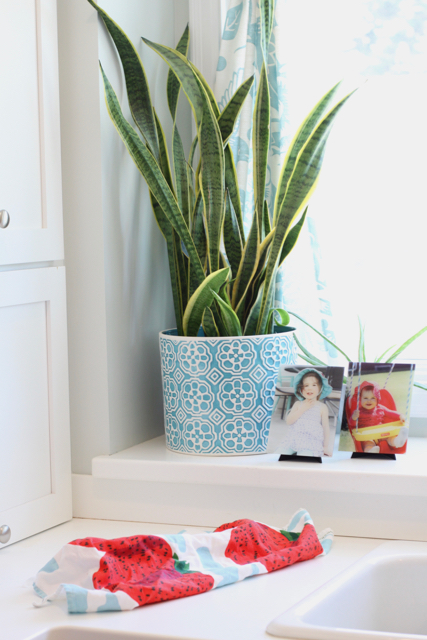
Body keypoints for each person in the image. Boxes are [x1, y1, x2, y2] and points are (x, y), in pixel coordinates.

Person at [278, 368, 332, 457]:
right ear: (301, 389)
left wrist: (325, 446)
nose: (309, 388)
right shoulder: (298, 404)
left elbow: (325, 428)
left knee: (305, 458)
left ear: (320, 388)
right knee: (281, 453)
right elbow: (289, 421)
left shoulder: (322, 407)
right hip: (294, 438)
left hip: (311, 440)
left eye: (314, 385)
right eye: (306, 385)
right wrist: (303, 409)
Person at [348, 381, 408, 453]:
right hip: (367, 435)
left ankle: (398, 441)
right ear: (360, 399)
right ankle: (371, 450)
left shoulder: (381, 408)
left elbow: (391, 413)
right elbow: (352, 424)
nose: (369, 401)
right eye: (365, 398)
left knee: (390, 438)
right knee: (368, 443)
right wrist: (354, 417)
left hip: (381, 433)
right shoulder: (358, 412)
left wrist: (400, 416)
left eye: (372, 398)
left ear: (377, 399)